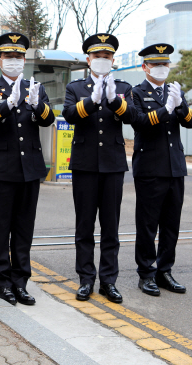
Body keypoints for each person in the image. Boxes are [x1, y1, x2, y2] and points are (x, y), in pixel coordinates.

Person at [0, 32, 55, 306]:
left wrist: (36, 104)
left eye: (19, 56)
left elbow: (48, 120)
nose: (14, 61)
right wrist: (9, 103)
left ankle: (20, 282)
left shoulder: (36, 88)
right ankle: (3, 283)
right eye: (9, 56)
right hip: (0, 170)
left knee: (24, 229)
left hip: (29, 169)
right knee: (1, 229)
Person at [63, 33, 135, 304]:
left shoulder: (124, 87)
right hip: (84, 165)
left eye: (106, 56)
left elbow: (133, 117)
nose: (102, 60)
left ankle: (109, 281)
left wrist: (115, 100)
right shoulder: (76, 88)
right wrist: (92, 101)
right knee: (84, 226)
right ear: (88, 59)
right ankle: (85, 279)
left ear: (113, 59)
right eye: (97, 56)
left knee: (111, 227)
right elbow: (70, 116)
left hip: (113, 165)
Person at [131, 44, 192, 296]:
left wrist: (179, 105)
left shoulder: (174, 91)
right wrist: (165, 109)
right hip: (149, 168)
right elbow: (139, 123)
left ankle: (165, 271)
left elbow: (191, 122)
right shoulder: (136, 93)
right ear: (145, 66)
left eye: (165, 64)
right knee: (148, 224)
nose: (161, 68)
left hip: (175, 167)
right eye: (156, 64)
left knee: (171, 224)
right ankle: (146, 273)